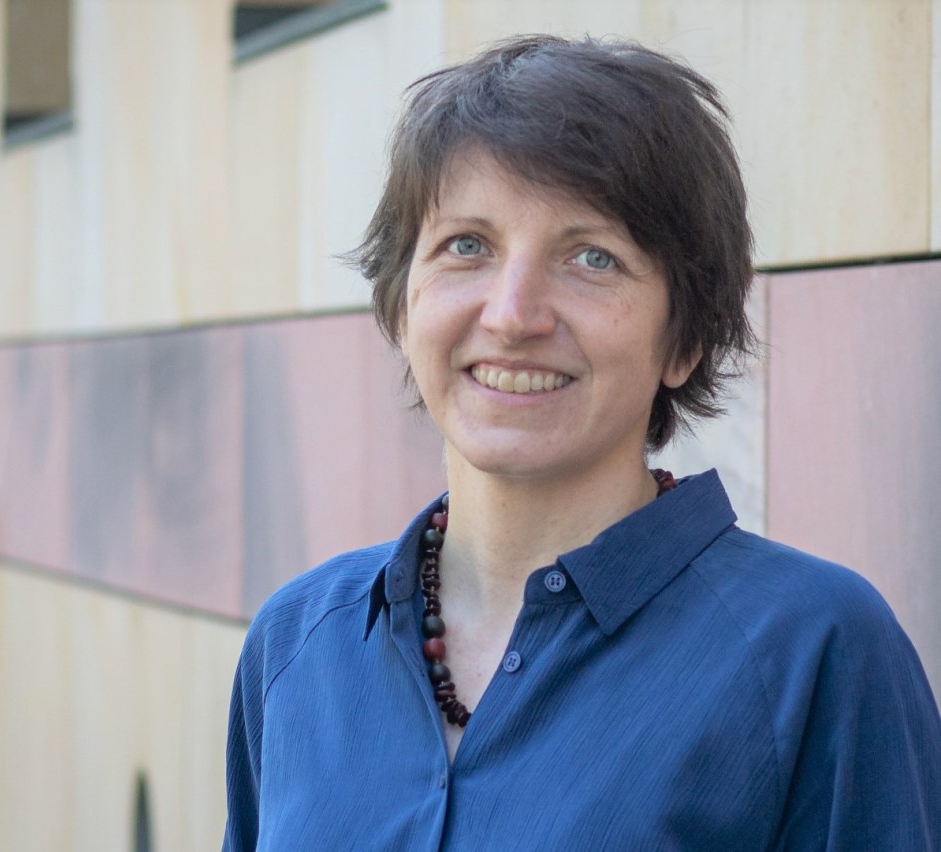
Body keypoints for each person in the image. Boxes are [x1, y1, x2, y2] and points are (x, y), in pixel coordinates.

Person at [222, 35, 941, 850]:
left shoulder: (816, 651)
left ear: (685, 340)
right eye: (467, 245)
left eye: (592, 258)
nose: (512, 315)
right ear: (400, 304)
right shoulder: (297, 641)